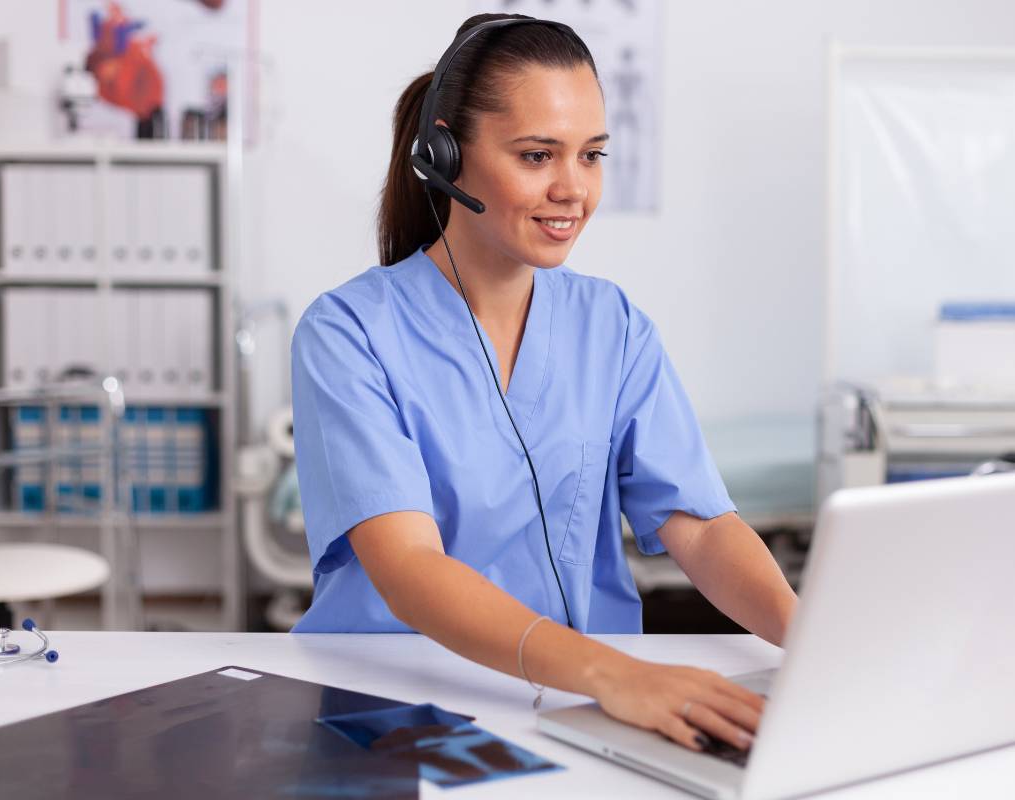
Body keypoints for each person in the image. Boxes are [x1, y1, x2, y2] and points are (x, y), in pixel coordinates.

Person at [290, 12, 797, 755]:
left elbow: (700, 525)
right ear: (445, 155)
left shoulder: (612, 325)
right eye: (537, 156)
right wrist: (615, 674)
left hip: (586, 704)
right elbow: (409, 567)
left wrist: (813, 641)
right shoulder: (347, 333)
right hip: (396, 704)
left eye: (591, 155)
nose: (573, 189)